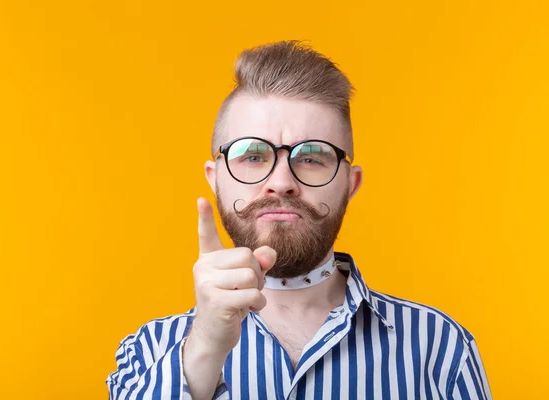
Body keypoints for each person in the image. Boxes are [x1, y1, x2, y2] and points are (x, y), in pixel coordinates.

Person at [106, 40, 492, 399]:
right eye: (253, 156)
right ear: (216, 179)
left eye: (310, 157)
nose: (280, 182)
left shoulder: (442, 349)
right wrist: (205, 348)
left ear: (349, 183)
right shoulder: (147, 351)